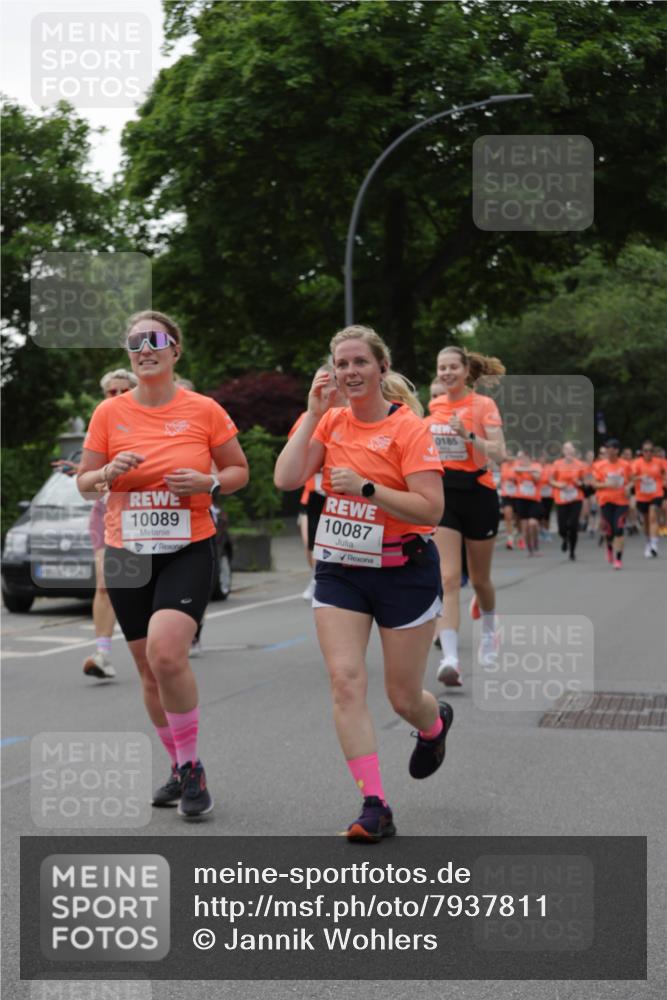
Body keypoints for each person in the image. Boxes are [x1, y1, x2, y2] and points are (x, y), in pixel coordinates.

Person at [274, 325, 450, 843]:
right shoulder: (327, 422)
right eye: (341, 363)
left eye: (359, 363)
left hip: (404, 569)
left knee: (401, 697)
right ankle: (374, 804)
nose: (349, 372)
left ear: (381, 368)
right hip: (341, 568)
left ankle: (434, 723)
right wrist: (310, 411)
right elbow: (286, 478)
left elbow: (432, 508)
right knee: (346, 681)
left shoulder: (410, 429)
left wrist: (370, 488)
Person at [77, 310, 249, 820]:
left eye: (156, 340)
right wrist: (107, 471)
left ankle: (193, 768)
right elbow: (84, 481)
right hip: (128, 551)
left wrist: (209, 482)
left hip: (187, 545)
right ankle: (177, 766)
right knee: (148, 673)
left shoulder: (204, 410)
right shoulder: (109, 414)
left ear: (176, 350)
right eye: (135, 342)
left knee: (168, 653)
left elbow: (238, 470)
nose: (145, 349)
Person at [427, 346, 506, 688]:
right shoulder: (434, 407)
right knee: (447, 577)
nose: (446, 373)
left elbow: (500, 454)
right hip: (446, 495)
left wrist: (467, 435)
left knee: (479, 579)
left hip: (479, 492)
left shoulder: (483, 405)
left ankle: (490, 628)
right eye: (441, 368)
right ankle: (450, 659)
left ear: (465, 371)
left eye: (452, 368)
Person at [82, 369, 138, 680]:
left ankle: (166, 640)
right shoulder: (100, 426)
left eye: (123, 390)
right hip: (105, 514)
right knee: (104, 582)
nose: (116, 397)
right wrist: (98, 479)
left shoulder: (148, 423)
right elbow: (87, 486)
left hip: (145, 515)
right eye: (110, 392)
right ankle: (103, 653)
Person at [288, 364, 346, 600]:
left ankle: (334, 580)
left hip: (347, 495)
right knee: (312, 544)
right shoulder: (307, 418)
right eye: (318, 381)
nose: (324, 387)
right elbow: (294, 458)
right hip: (315, 491)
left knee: (341, 543)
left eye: (328, 381)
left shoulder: (351, 414)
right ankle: (318, 577)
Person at [591, 439, 632, 569]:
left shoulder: (625, 465)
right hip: (606, 501)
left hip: (621, 501)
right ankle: (609, 548)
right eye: (607, 448)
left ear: (617, 450)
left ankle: (618, 559)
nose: (609, 451)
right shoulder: (599, 465)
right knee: (609, 531)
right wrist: (606, 484)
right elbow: (594, 484)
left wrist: (628, 488)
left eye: (612, 448)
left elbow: (631, 481)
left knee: (619, 529)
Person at [550, 442, 588, 561]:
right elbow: (551, 480)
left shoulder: (580, 465)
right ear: (563, 451)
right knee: (561, 527)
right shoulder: (557, 464)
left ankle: (572, 551)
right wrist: (558, 484)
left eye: (571, 450)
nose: (569, 452)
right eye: (567, 450)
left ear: (574, 452)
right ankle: (564, 538)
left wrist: (580, 483)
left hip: (576, 498)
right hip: (561, 498)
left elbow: (586, 482)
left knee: (573, 525)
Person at [632, 440, 665, 558]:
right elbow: (631, 477)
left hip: (656, 494)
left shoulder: (659, 462)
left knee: (653, 517)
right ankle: (648, 543)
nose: (648, 453)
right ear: (642, 452)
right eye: (645, 450)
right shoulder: (637, 463)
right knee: (647, 522)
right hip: (642, 496)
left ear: (653, 451)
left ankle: (654, 545)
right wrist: (641, 477)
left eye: (650, 450)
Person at [513, 451, 543, 556]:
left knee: (533, 524)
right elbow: (516, 469)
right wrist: (530, 469)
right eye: (521, 458)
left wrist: (529, 469)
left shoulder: (537, 465)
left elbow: (537, 477)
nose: (522, 461)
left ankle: (535, 543)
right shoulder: (518, 466)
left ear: (529, 458)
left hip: (534, 500)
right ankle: (530, 549)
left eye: (525, 458)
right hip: (521, 499)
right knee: (525, 528)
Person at [499, 452, 518, 549]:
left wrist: (515, 480)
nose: (509, 458)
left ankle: (517, 533)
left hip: (517, 495)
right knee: (507, 516)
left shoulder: (518, 465)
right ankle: (510, 539)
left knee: (517, 518)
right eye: (507, 455)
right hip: (506, 495)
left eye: (511, 455)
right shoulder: (503, 465)